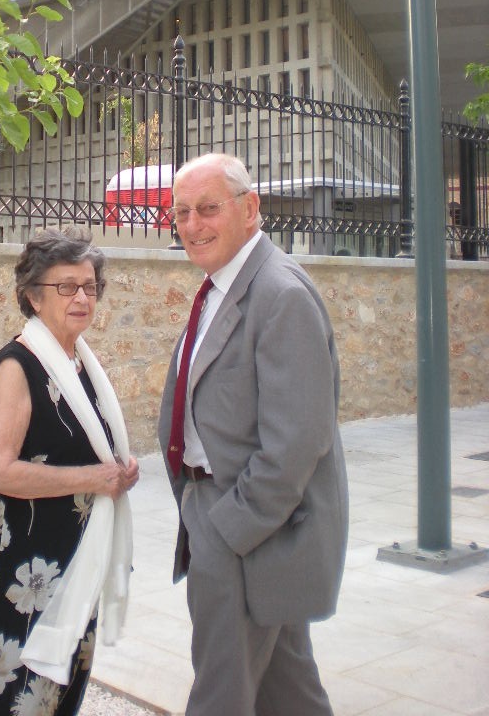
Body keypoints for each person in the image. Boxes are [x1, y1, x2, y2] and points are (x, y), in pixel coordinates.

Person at [158, 153, 348, 716]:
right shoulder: (224, 284)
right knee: (289, 693)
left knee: (221, 694)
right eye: (182, 212)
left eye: (208, 208)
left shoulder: (280, 293)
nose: (193, 226)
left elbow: (297, 441)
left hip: (250, 533)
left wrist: (229, 529)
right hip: (231, 521)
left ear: (250, 207)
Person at [0, 228, 139, 716]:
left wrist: (119, 470)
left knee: (58, 693)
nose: (82, 296)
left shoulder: (80, 362)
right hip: (18, 573)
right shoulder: (18, 366)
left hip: (71, 564)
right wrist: (95, 479)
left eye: (89, 286)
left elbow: (89, 451)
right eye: (66, 286)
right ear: (33, 297)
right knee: (9, 696)